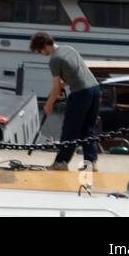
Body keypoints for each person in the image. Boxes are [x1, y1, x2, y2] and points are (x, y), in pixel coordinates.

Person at [30, 31, 101, 171]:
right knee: (88, 128)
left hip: (81, 93)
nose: (40, 53)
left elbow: (57, 87)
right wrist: (56, 92)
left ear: (44, 45)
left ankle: (61, 162)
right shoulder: (69, 49)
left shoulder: (54, 60)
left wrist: (48, 104)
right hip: (95, 90)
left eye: (39, 50)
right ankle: (91, 163)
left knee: (70, 129)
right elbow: (72, 75)